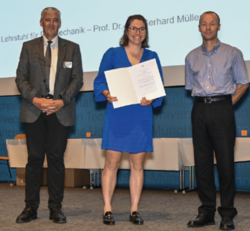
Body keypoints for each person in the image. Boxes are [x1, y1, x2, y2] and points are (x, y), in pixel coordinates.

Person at [94, 14, 164, 225]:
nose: (137, 32)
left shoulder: (152, 56)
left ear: (146, 33)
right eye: (133, 28)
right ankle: (107, 208)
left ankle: (134, 210)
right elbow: (99, 81)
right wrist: (106, 93)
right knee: (112, 164)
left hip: (141, 116)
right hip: (118, 114)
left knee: (137, 165)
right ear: (126, 31)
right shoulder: (113, 54)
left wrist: (152, 98)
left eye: (141, 29)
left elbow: (158, 89)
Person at [15, 7, 83, 224]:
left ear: (60, 23)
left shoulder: (72, 48)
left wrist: (61, 101)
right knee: (34, 160)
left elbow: (77, 80)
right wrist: (36, 99)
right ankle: (30, 208)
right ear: (41, 22)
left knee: (55, 160)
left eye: (55, 20)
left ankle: (56, 208)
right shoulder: (28, 47)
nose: (51, 23)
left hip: (60, 112)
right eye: (47, 20)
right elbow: (20, 79)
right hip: (34, 109)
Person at [185, 11, 249, 230]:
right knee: (202, 165)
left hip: (223, 108)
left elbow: (243, 83)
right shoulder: (191, 56)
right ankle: (207, 212)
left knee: (225, 164)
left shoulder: (233, 52)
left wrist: (225, 105)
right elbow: (190, 87)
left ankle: (227, 214)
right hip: (199, 110)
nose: (208, 27)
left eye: (212, 24)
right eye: (204, 24)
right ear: (199, 27)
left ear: (219, 27)